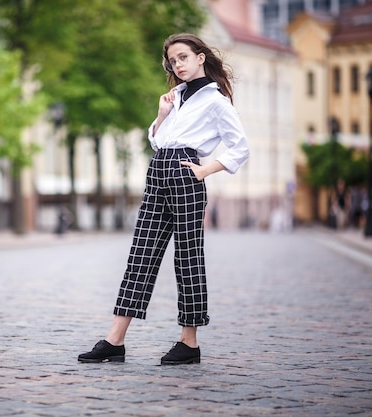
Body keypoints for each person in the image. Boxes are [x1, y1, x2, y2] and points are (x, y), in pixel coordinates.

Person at [78, 33, 249, 365]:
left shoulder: (217, 102)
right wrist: (161, 114)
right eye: (173, 61)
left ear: (201, 57)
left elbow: (240, 147)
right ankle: (115, 340)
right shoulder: (174, 98)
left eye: (183, 57)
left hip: (187, 176)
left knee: (188, 259)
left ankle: (189, 342)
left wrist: (204, 171)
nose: (178, 65)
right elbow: (158, 142)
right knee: (140, 255)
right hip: (158, 172)